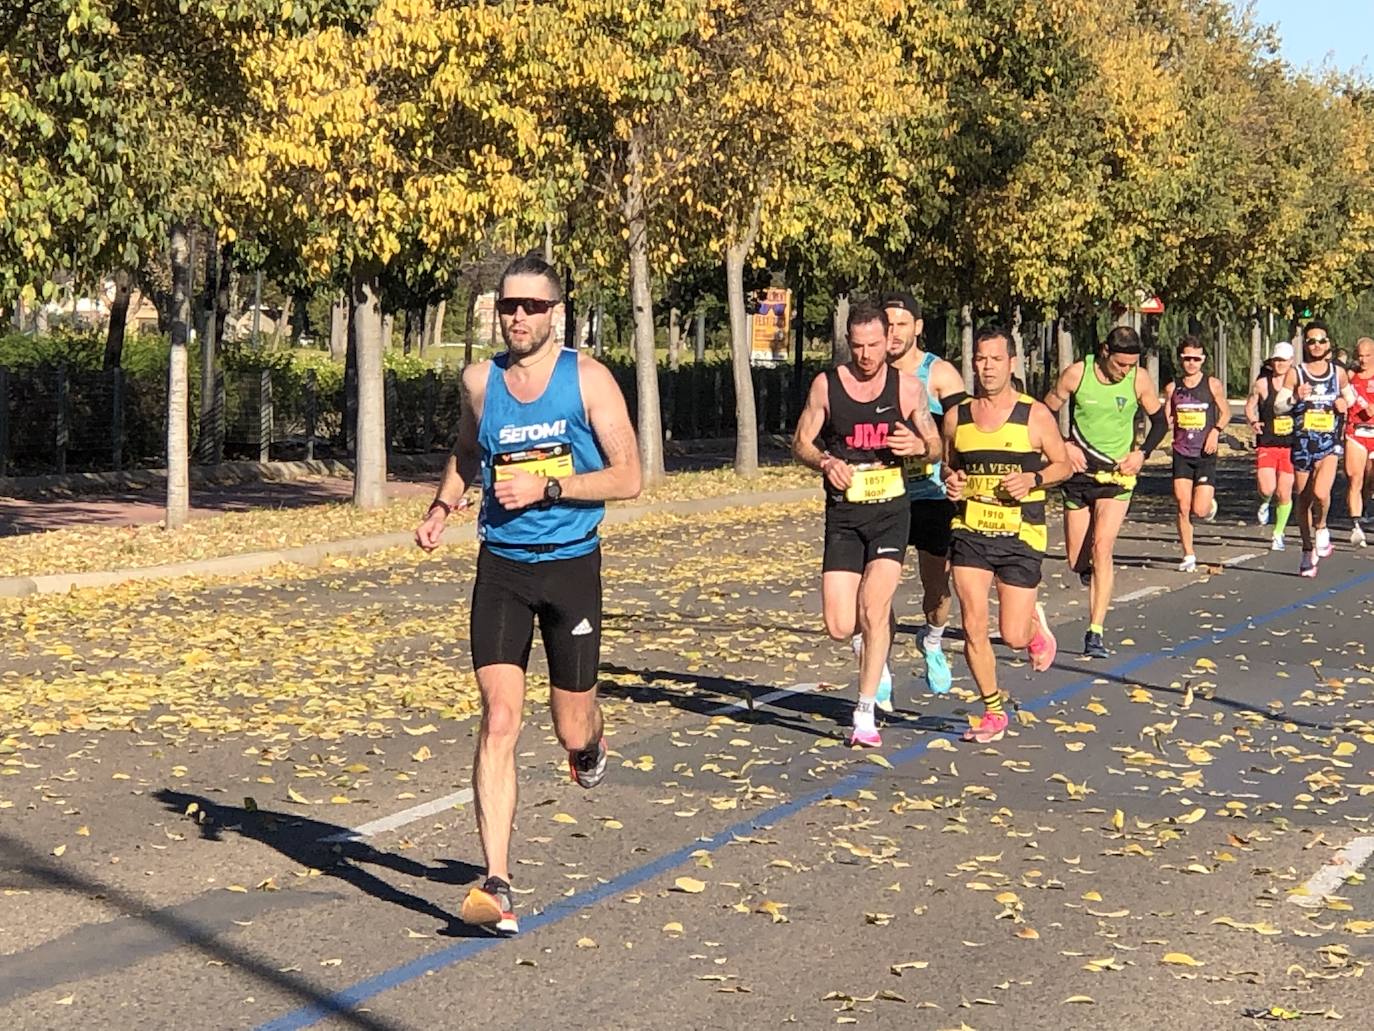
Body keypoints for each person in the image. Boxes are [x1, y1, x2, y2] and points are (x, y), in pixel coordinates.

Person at [414, 254, 642, 935]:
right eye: (509, 305)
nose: (518, 316)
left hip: (571, 565)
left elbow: (629, 476)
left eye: (532, 307)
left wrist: (549, 488)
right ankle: (498, 882)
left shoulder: (589, 380)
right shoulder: (481, 381)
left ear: (555, 313)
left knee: (569, 723)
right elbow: (466, 451)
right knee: (500, 718)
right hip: (503, 569)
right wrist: (442, 506)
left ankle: (590, 744)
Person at [792, 301, 942, 747]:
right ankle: (867, 653)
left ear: (887, 342)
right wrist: (824, 461)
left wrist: (918, 444)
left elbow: (935, 446)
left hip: (890, 514)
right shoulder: (827, 386)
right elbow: (800, 441)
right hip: (844, 514)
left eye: (874, 345)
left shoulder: (908, 388)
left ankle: (865, 713)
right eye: (857, 347)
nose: (865, 355)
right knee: (840, 625)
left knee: (875, 608)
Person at [944, 326, 1072, 743]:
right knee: (972, 625)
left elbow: (1064, 465)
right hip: (970, 531)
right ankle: (993, 710)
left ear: (1012, 363)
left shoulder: (1034, 414)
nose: (987, 368)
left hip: (1021, 534)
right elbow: (949, 466)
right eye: (981, 359)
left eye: (996, 359)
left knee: (1012, 634)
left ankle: (1034, 629)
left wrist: (1033, 478)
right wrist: (952, 481)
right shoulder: (957, 416)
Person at [1044, 326, 1168, 658]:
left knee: (1103, 547)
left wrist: (1141, 454)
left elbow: (1160, 423)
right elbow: (1043, 414)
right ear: (1104, 352)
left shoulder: (1139, 380)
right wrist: (1063, 446)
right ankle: (1089, 572)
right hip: (1080, 474)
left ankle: (1095, 631)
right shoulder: (1076, 374)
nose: (1124, 372)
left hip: (1117, 476)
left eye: (1130, 366)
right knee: (1076, 560)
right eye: (1119, 366)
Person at [883, 290, 968, 698]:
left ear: (917, 327)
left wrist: (958, 471)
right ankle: (878, 662)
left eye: (902, 324)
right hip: (884, 494)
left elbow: (963, 432)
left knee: (936, 589)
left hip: (933, 494)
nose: (893, 332)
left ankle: (931, 639)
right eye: (888, 324)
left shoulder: (939, 374)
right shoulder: (869, 373)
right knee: (877, 587)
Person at [1275, 320, 1351, 576]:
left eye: (1321, 340)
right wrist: (1296, 396)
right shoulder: (1296, 373)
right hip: (1303, 442)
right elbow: (1279, 405)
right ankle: (1307, 549)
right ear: (1305, 345)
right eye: (1311, 341)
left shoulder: (1337, 373)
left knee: (1321, 491)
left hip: (1329, 442)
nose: (1316, 345)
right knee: (1304, 498)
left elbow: (1350, 399)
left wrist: (1343, 403)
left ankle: (1322, 526)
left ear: (1328, 343)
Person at [1164, 336, 1229, 572]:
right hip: (1182, 452)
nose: (1191, 363)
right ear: (1181, 359)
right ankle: (1188, 554)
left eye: (1196, 359)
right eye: (1187, 358)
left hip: (1204, 453)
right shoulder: (1173, 388)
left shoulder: (1212, 384)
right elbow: (1167, 417)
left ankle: (1208, 505)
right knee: (1182, 504)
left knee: (1198, 510)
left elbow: (1225, 413)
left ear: (1202, 360)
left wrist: (1216, 431)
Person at [1245, 341, 1297, 551]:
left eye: (1284, 360)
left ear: (1291, 362)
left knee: (1284, 493)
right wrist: (1253, 422)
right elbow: (1250, 407)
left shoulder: (1298, 383)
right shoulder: (1262, 384)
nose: (1280, 364)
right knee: (1268, 487)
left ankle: (1278, 533)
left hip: (1290, 446)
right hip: (1267, 443)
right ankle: (1265, 501)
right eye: (1277, 360)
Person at [1343, 337, 1374, 546]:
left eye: (1368, 356)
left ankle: (1368, 502)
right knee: (1355, 478)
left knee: (1370, 480)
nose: (1363, 360)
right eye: (1360, 356)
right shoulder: (1349, 377)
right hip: (1356, 433)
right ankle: (1356, 526)